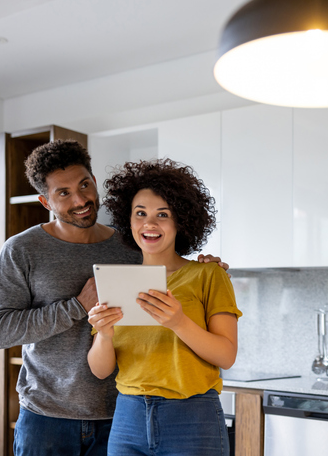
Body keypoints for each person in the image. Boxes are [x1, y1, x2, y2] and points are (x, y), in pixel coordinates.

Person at [0, 140, 229, 456]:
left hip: (121, 416)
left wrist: (211, 267)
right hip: (48, 417)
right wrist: (76, 306)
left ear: (94, 181)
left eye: (85, 184)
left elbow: (175, 273)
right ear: (45, 201)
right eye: (64, 193)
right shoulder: (21, 250)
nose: (81, 199)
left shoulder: (130, 244)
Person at [87, 159, 242, 456]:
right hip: (128, 417)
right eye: (140, 213)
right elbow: (100, 369)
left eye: (163, 215)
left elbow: (226, 355)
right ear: (128, 220)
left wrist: (179, 322)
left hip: (192, 417)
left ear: (180, 221)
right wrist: (104, 335)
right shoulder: (117, 281)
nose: (150, 224)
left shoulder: (209, 274)